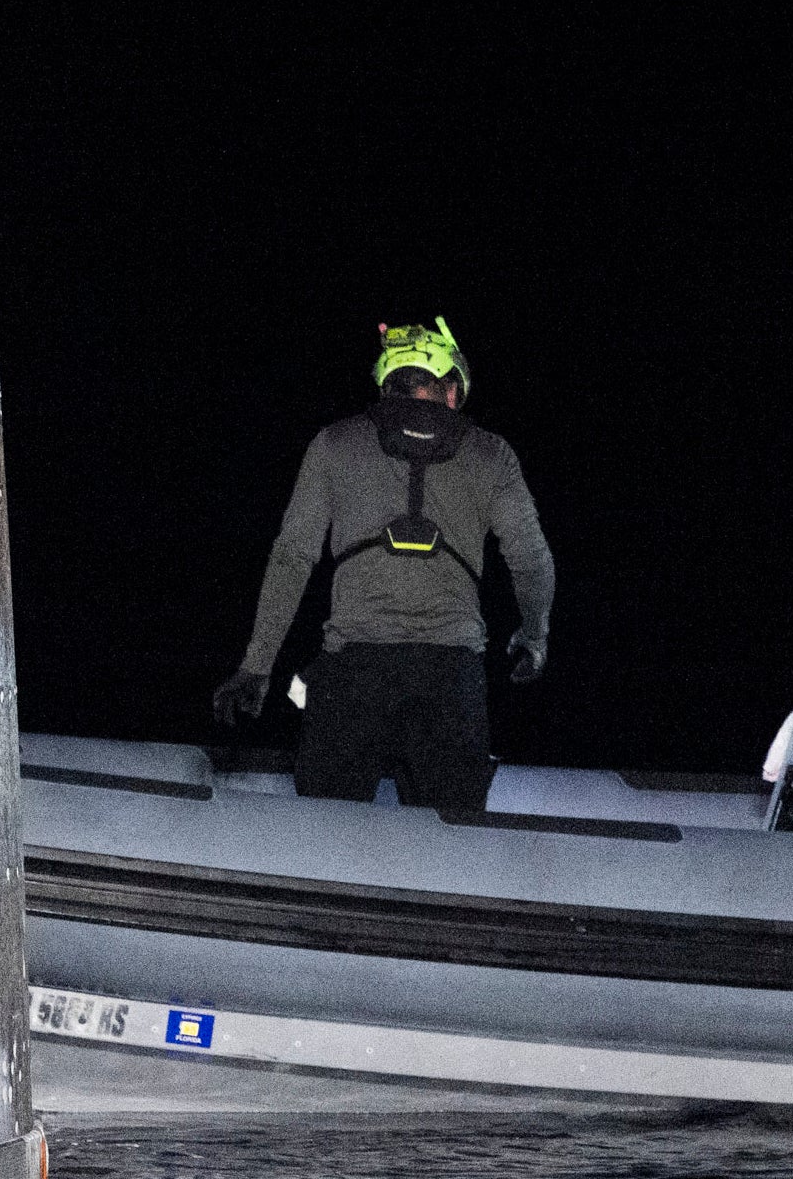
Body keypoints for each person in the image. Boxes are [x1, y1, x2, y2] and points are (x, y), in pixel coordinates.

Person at [213, 319, 554, 813]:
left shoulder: (334, 443)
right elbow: (532, 561)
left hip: (351, 676)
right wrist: (534, 635)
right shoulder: (491, 455)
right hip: (450, 678)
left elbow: (292, 557)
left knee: (325, 840)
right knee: (451, 850)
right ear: (452, 389)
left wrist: (256, 666)